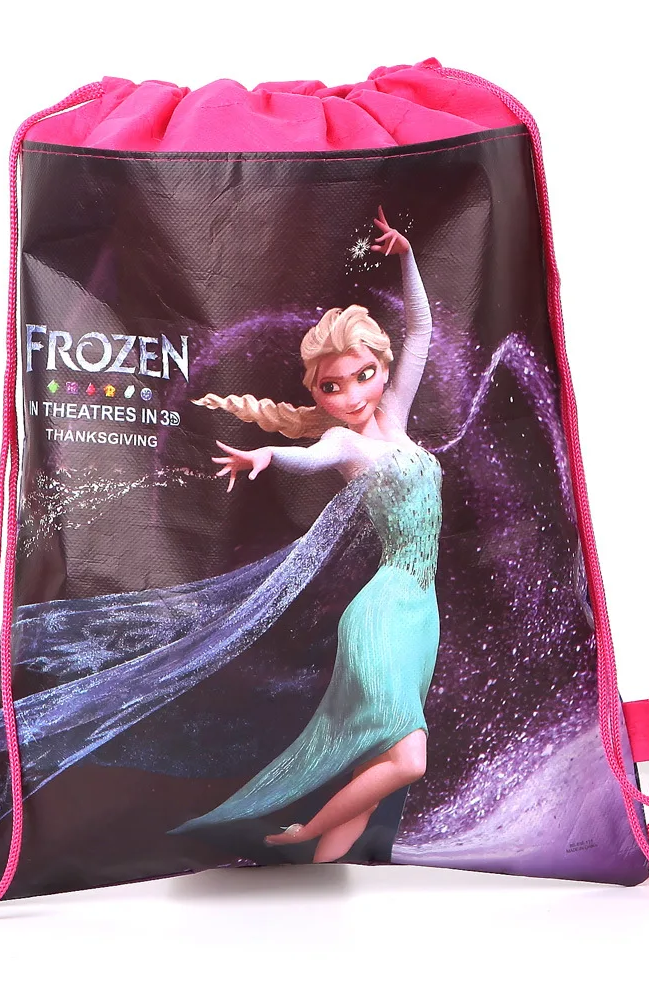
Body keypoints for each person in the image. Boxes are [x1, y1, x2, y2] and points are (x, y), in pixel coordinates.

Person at [167, 206, 443, 863]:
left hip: (421, 612)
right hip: (382, 611)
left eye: (362, 375)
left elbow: (422, 330)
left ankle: (321, 876)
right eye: (332, 387)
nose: (351, 394)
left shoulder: (395, 418)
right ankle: (306, 830)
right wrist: (267, 455)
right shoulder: (346, 443)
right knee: (408, 757)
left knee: (375, 767)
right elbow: (313, 457)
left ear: (381, 368)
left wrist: (407, 256)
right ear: (319, 396)